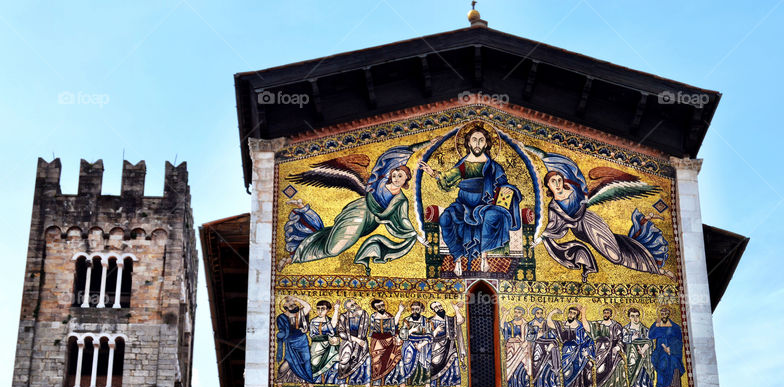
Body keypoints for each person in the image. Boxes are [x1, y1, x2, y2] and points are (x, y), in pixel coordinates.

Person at [279, 144, 427, 274]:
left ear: (406, 180)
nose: (395, 178)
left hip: (370, 224)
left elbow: (403, 220)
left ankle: (305, 214)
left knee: (331, 237)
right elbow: (395, 157)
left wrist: (417, 236)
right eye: (394, 175)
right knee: (333, 249)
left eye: (399, 176)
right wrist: (423, 144)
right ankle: (295, 256)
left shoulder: (401, 200)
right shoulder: (380, 184)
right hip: (360, 212)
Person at [531, 150, 674, 282]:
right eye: (553, 181)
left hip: (591, 222)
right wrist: (541, 239)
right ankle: (653, 266)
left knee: (615, 257)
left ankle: (656, 269)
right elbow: (553, 225)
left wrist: (539, 153)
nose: (557, 184)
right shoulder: (554, 206)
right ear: (547, 185)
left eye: (559, 180)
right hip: (580, 232)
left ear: (563, 180)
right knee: (615, 251)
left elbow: (582, 184)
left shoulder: (575, 193)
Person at [421, 124, 523, 275]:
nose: (477, 144)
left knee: (492, 216)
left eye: (481, 140)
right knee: (445, 218)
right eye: (474, 140)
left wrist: (509, 190)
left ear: (486, 143)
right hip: (463, 204)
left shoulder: (494, 167)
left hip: (485, 205)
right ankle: (457, 259)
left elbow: (503, 184)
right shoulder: (463, 165)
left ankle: (484, 257)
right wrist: (433, 173)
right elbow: (448, 179)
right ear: (468, 143)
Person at [549, 305, 597, 387]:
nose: (571, 315)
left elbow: (588, 331)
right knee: (567, 371)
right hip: (567, 351)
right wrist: (552, 313)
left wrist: (583, 314)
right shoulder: (563, 324)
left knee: (586, 367)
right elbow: (550, 324)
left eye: (574, 313)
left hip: (579, 351)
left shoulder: (580, 326)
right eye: (570, 312)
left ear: (576, 315)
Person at [423, 300, 467, 387]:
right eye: (436, 307)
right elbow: (427, 336)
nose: (439, 308)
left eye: (440, 306)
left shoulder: (449, 319)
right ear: (433, 310)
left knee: (455, 365)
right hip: (436, 347)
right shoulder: (429, 321)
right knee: (432, 367)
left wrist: (456, 309)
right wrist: (436, 330)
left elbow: (460, 320)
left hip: (450, 346)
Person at [274, 296, 317, 387]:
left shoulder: (300, 313)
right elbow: (282, 331)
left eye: (294, 304)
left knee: (306, 362)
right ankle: (279, 384)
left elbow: (308, 307)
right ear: (285, 306)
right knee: (289, 362)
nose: (293, 305)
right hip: (291, 343)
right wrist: (281, 335)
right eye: (290, 304)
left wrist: (296, 299)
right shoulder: (281, 317)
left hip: (302, 341)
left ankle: (310, 385)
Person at [391, 300, 432, 387]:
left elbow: (430, 335)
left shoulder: (426, 321)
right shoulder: (407, 320)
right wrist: (412, 330)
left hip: (423, 346)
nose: (414, 311)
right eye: (413, 309)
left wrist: (421, 345)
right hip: (408, 344)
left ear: (421, 309)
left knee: (423, 365)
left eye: (417, 309)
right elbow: (403, 335)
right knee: (407, 364)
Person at [366, 299, 405, 387]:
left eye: (382, 305)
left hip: (390, 342)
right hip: (377, 343)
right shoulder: (373, 316)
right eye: (378, 306)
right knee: (377, 363)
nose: (381, 307)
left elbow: (395, 325)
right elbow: (372, 330)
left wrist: (400, 311)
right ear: (375, 308)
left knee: (395, 360)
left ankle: (399, 386)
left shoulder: (389, 315)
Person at [334, 299, 370, 387]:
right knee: (344, 362)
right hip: (348, 343)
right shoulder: (344, 317)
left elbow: (366, 328)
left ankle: (366, 386)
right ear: (348, 308)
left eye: (355, 303)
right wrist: (355, 340)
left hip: (362, 344)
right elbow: (341, 333)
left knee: (366, 362)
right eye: (352, 305)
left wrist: (360, 341)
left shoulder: (364, 315)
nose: (355, 305)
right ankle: (342, 386)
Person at [648, 306, 684, 387]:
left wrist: (671, 349)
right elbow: (651, 335)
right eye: (662, 314)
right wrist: (656, 325)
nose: (664, 316)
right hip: (660, 352)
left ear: (669, 314)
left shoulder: (675, 327)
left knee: (672, 367)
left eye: (666, 313)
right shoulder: (657, 325)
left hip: (671, 353)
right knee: (661, 368)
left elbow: (679, 341)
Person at [592, 308, 626, 387]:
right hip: (600, 350)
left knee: (620, 363)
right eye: (604, 313)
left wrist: (618, 347)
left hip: (613, 350)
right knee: (599, 368)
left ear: (610, 314)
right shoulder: (598, 324)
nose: (606, 314)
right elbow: (592, 335)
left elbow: (621, 339)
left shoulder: (616, 325)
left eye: (608, 313)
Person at [621, 307, 653, 387]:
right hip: (632, 353)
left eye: (637, 316)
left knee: (646, 369)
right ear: (629, 317)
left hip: (644, 353)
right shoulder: (626, 329)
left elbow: (649, 340)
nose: (635, 319)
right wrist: (632, 338)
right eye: (632, 316)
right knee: (633, 367)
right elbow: (623, 339)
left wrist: (643, 349)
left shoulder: (645, 329)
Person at [527, 306, 559, 387]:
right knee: (537, 366)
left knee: (549, 366)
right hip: (537, 347)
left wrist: (553, 343)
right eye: (538, 313)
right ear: (534, 314)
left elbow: (554, 334)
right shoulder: (530, 324)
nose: (540, 315)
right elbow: (528, 337)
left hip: (548, 347)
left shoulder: (547, 323)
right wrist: (537, 336)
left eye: (541, 313)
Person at [502, 306, 532, 387]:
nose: (516, 314)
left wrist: (525, 342)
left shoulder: (526, 325)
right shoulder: (510, 324)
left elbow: (531, 336)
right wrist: (504, 315)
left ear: (522, 313)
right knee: (511, 370)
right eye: (515, 312)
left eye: (519, 312)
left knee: (523, 369)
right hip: (512, 350)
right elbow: (502, 327)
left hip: (523, 350)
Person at [309, 300, 341, 385]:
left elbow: (333, 325)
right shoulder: (313, 321)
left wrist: (336, 309)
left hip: (329, 346)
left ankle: (329, 382)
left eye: (323, 309)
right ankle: (315, 382)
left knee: (336, 360)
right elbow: (312, 335)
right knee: (314, 363)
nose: (320, 311)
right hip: (316, 347)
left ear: (328, 310)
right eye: (318, 309)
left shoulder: (330, 321)